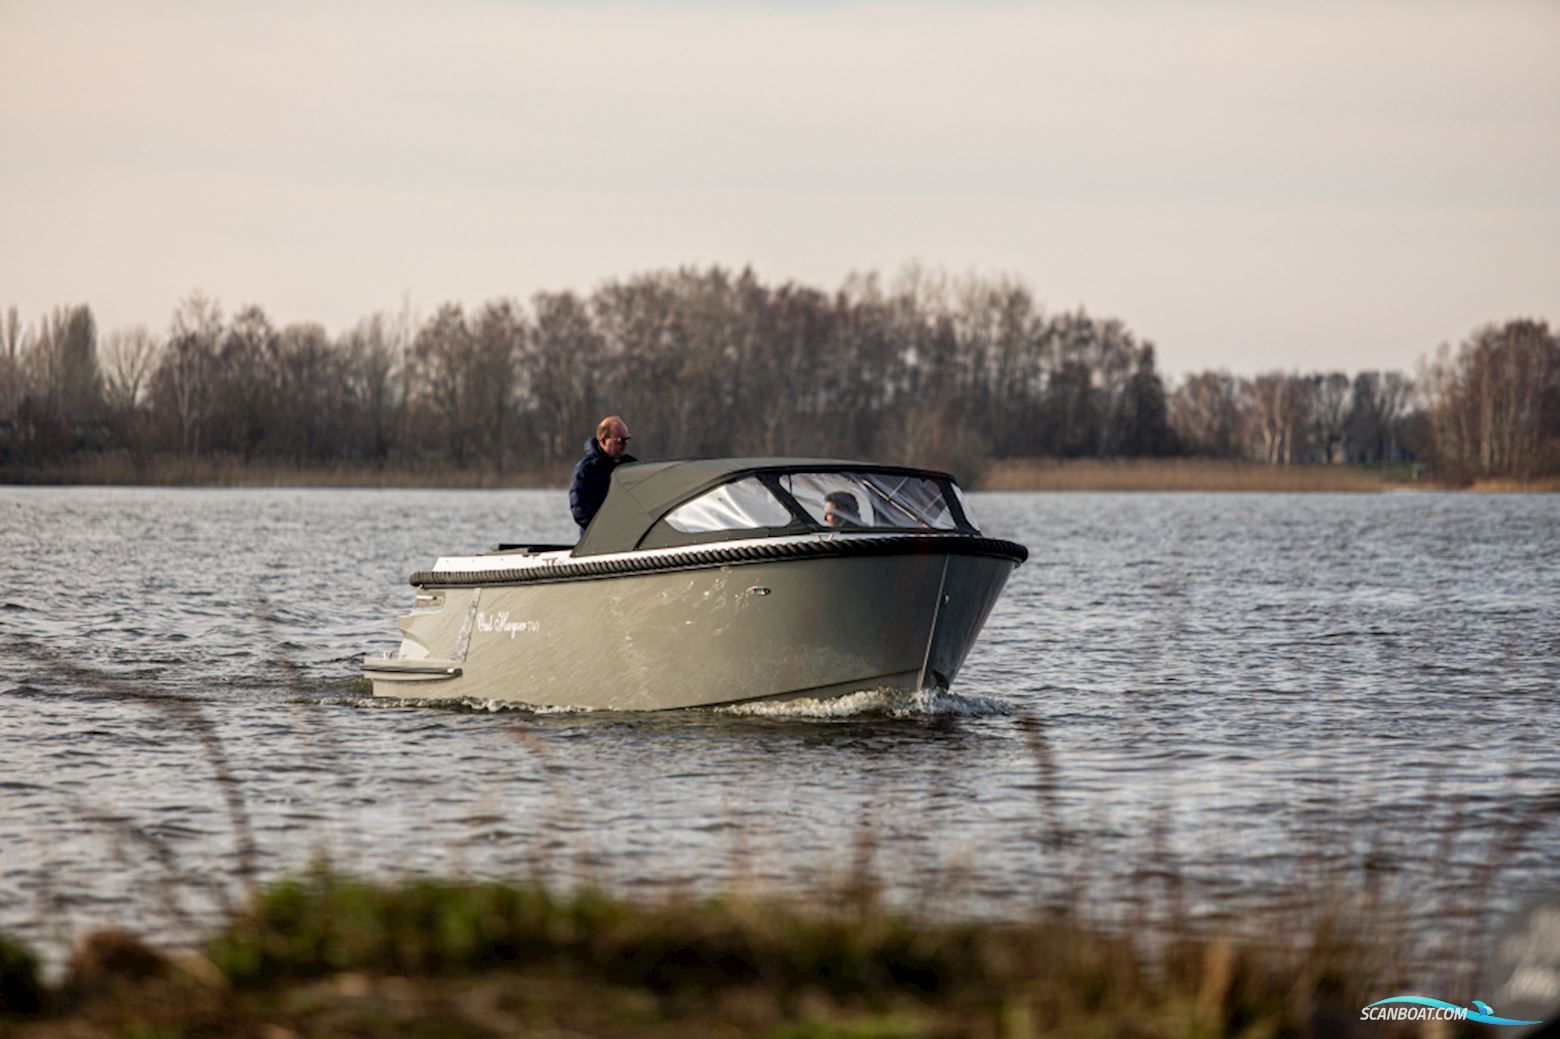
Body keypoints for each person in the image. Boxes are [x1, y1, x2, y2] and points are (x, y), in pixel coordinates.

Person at [570, 415, 636, 533]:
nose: (625, 445)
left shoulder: (631, 466)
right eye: (621, 441)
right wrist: (607, 531)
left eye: (627, 439)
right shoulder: (586, 470)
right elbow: (580, 511)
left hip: (629, 537)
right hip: (597, 542)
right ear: (603, 440)